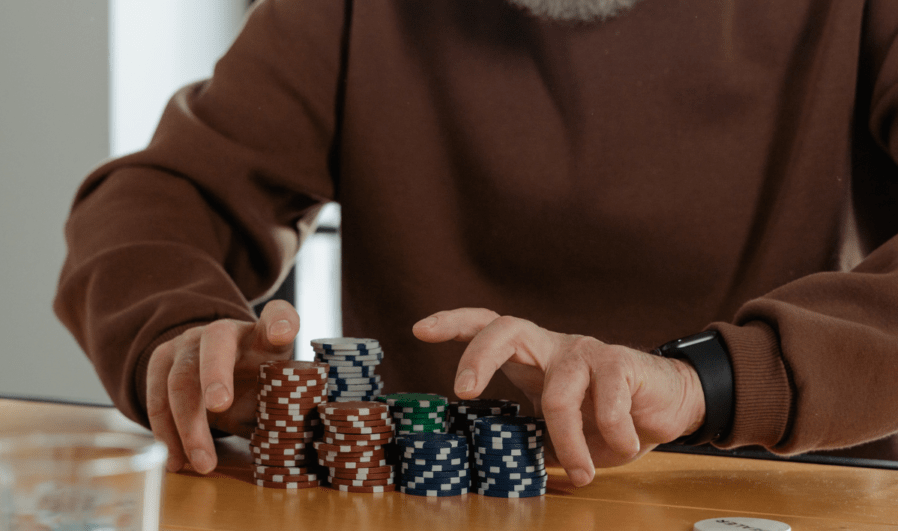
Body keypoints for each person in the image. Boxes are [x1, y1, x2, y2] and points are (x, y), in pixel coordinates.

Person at [55, 0, 898, 486]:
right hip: (428, 523)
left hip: (797, 505)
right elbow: (161, 196)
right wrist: (179, 338)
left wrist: (704, 381)